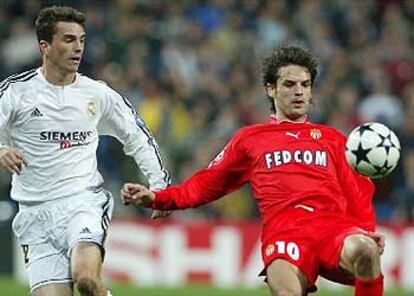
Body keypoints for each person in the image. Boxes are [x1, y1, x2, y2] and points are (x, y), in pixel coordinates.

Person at [121, 46, 385, 296]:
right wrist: (158, 197)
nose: (299, 92)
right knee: (286, 292)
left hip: (331, 230)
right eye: (289, 84)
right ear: (270, 89)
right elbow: (206, 184)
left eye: (305, 85)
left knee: (367, 252)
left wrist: (365, 231)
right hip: (284, 233)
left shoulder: (332, 139)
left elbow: (358, 190)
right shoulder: (250, 139)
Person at [0, 6, 170, 296]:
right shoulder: (15, 93)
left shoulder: (98, 94)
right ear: (45, 46)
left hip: (82, 203)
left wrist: (160, 188)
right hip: (34, 214)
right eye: (68, 40)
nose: (77, 47)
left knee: (86, 280)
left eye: (81, 40)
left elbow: (138, 137)